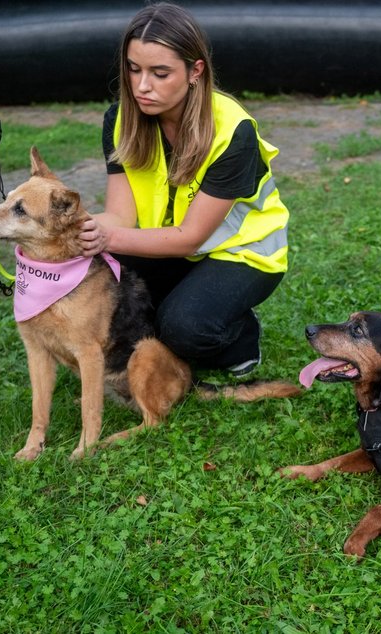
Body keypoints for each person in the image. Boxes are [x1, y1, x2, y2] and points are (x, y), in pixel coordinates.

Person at [78, 2, 289, 376]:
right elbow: (120, 217)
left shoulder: (232, 130)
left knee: (183, 330)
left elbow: (189, 238)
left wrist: (106, 238)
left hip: (241, 254)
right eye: (133, 69)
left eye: (160, 73)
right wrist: (78, 232)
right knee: (97, 279)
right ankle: (184, 303)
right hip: (171, 245)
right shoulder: (120, 119)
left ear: (195, 71)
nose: (142, 86)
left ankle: (240, 334)